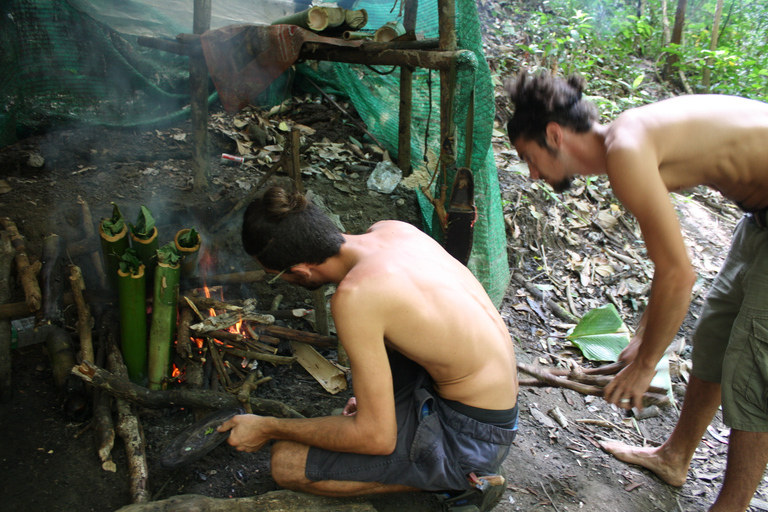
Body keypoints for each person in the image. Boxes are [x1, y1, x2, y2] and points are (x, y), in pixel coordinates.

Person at [505, 69, 768, 511]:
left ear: (554, 134)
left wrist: (646, 365)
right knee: (715, 337)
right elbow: (666, 268)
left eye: (530, 158)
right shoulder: (627, 142)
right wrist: (645, 338)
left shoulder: (626, 150)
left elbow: (679, 275)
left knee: (752, 374)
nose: (531, 175)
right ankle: (674, 457)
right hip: (758, 217)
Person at [218, 186, 519, 509]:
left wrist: (267, 426)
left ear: (301, 271)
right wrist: (371, 401)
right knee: (351, 422)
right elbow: (414, 328)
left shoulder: (355, 297)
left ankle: (461, 482)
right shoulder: (393, 230)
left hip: (471, 435)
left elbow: (375, 437)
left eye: (274, 277)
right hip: (485, 403)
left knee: (286, 462)